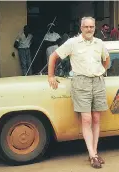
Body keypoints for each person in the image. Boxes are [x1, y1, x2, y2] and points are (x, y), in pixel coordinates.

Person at [47, 16, 110, 169]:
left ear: (95, 28)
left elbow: (107, 59)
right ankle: (93, 155)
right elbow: (53, 56)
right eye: (86, 27)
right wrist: (51, 76)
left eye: (92, 27)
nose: (89, 29)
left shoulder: (99, 43)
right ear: (81, 28)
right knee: (86, 119)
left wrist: (101, 70)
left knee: (96, 118)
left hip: (98, 82)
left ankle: (94, 151)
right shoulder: (72, 43)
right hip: (81, 82)